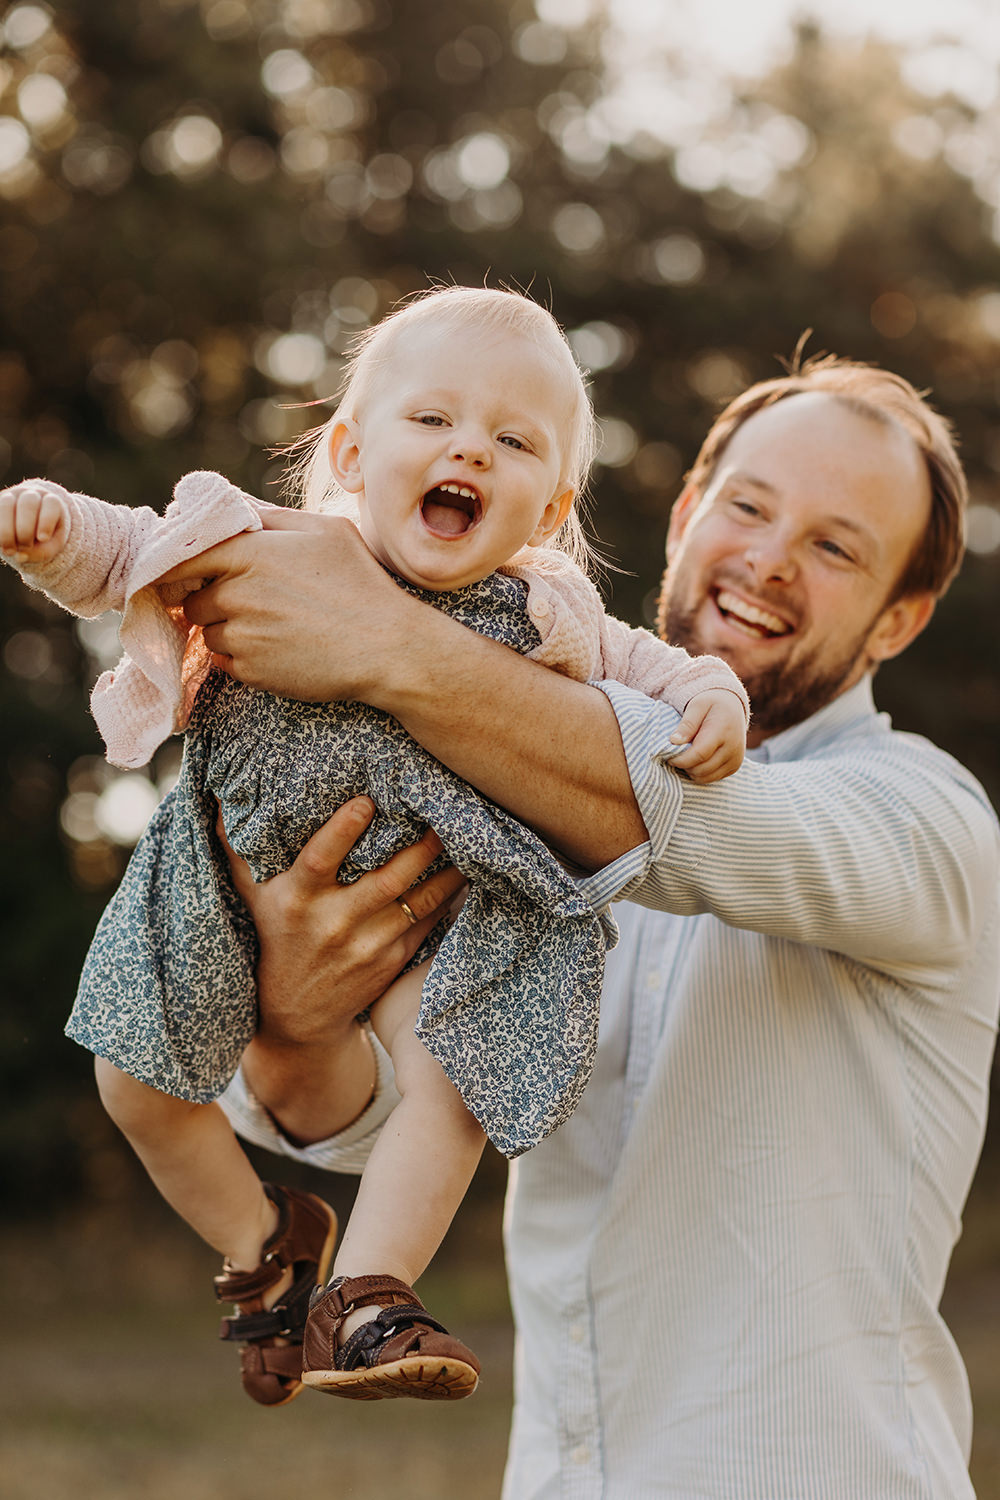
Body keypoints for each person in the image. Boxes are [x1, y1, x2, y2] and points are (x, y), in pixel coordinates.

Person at [169, 353, 1000, 1499]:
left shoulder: (927, 820)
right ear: (684, 512)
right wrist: (300, 1016)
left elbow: (686, 815)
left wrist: (385, 640)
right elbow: (381, 1124)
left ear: (898, 619)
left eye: (834, 545)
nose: (766, 558)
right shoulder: (500, 811)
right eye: (748, 507)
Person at [0, 287, 749, 1408]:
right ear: (351, 449)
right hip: (222, 879)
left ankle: (368, 1296)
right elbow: (129, 553)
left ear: (550, 508)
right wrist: (53, 530)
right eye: (433, 420)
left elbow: (655, 672)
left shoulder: (550, 612)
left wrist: (714, 696)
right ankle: (265, 1244)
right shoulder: (265, 545)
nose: (470, 451)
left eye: (512, 440)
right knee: (134, 1087)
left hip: (435, 913)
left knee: (449, 1080)